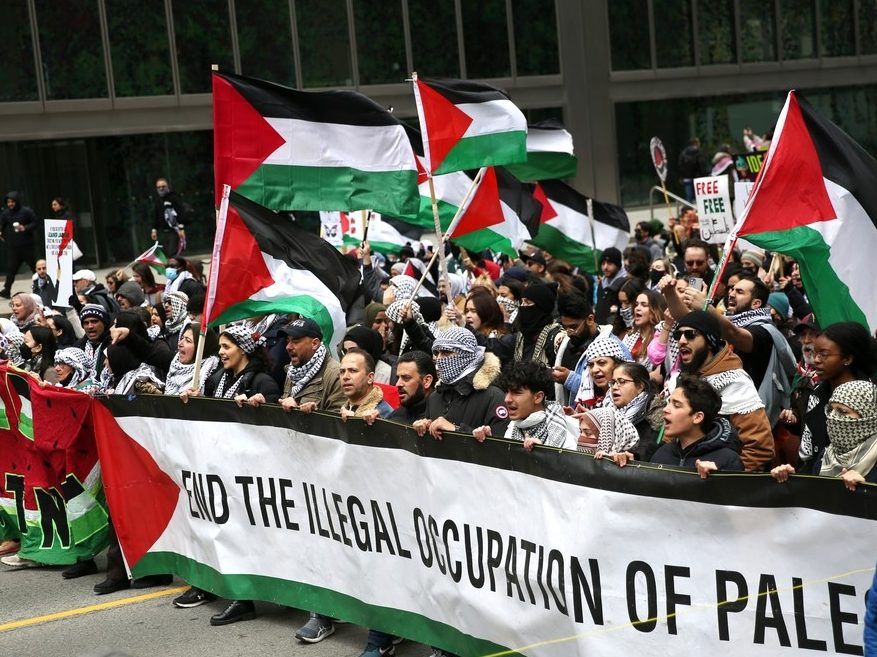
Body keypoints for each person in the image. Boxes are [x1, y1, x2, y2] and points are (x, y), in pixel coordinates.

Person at [177, 325, 280, 624]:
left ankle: (244, 598)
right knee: (212, 526)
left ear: (244, 349)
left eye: (227, 347)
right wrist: (195, 399)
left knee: (241, 533)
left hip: (247, 473)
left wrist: (263, 406)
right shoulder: (217, 378)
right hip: (216, 467)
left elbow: (275, 428)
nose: (220, 352)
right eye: (220, 346)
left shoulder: (263, 381)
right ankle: (211, 583)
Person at [670, 310, 774, 472]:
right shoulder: (683, 379)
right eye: (678, 335)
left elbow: (760, 449)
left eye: (690, 335)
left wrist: (722, 478)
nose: (682, 341)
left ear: (710, 341)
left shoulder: (735, 382)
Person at [772, 380, 877, 489]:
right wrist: (790, 478)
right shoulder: (827, 455)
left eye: (843, 411)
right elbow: (814, 493)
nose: (832, 417)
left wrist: (866, 489)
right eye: (831, 409)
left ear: (868, 418)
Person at [414, 327, 508, 441]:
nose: (439, 359)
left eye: (446, 352)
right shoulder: (435, 396)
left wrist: (457, 431)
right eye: (436, 353)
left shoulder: (493, 396)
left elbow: (503, 446)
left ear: (466, 355)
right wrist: (423, 428)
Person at [473, 360, 577, 450]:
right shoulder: (512, 427)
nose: (507, 399)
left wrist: (544, 453)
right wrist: (489, 443)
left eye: (516, 392)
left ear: (538, 397)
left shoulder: (566, 431)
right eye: (506, 392)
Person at [649, 375, 743, 475]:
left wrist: (717, 478)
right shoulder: (662, 454)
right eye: (668, 403)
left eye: (676, 405)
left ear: (698, 417)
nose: (665, 409)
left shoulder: (727, 460)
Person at [267, 318, 345, 414]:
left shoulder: (336, 374)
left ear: (315, 344)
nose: (288, 347)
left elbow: (337, 423)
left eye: (295, 341)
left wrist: (299, 411)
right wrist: (261, 405)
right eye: (288, 341)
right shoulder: (292, 372)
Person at [605, 361, 659, 461]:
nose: (615, 387)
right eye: (613, 382)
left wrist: (632, 457)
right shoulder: (605, 410)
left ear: (640, 387)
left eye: (622, 382)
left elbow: (648, 450)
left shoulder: (654, 411)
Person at [163, 323, 220, 397]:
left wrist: (200, 400)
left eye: (188, 341)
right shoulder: (174, 366)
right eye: (182, 338)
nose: (180, 344)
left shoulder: (212, 376)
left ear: (202, 347)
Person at [0, 191, 38, 298]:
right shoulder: (6, 213)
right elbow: (1, 225)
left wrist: (25, 228)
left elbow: (35, 223)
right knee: (11, 269)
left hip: (27, 246)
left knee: (35, 268)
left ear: (17, 201)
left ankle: (42, 287)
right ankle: (7, 290)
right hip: (14, 247)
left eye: (12, 202)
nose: (10, 204)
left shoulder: (26, 211)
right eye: (8, 202)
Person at [338, 348, 393, 420]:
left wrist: (354, 422)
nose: (345, 377)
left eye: (353, 371)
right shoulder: (343, 408)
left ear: (370, 378)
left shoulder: (384, 415)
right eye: (342, 371)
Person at [622, 289, 666, 369]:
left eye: (644, 305)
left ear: (655, 310)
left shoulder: (662, 338)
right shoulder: (629, 336)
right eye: (636, 304)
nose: (637, 308)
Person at [150, 178, 188, 256]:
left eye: (163, 186)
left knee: (173, 253)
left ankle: (176, 267)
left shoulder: (173, 197)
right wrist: (154, 230)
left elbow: (180, 212)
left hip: (174, 231)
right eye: (159, 187)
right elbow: (155, 215)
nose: (161, 188)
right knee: (165, 254)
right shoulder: (157, 200)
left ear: (167, 186)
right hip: (162, 232)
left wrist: (181, 228)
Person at [74, 304, 112, 379]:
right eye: (86, 323)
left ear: (104, 323)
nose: (90, 326)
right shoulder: (77, 347)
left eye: (94, 321)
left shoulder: (113, 345)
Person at [595, 247, 626, 325]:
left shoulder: (625, 284)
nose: (605, 267)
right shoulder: (602, 284)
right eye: (603, 263)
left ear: (618, 265)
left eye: (609, 264)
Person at [677, 137, 707, 202]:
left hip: (686, 177)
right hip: (698, 177)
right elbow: (701, 165)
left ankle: (688, 210)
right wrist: (704, 175)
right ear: (696, 143)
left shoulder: (684, 153)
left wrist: (681, 176)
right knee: (699, 197)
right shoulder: (699, 152)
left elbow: (680, 165)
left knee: (689, 196)